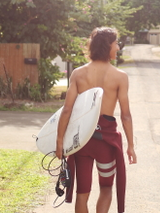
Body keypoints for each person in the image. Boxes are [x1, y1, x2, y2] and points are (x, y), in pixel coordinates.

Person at [56, 27, 137, 213]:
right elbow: (125, 115)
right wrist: (130, 145)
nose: (118, 47)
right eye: (116, 43)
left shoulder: (78, 74)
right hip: (106, 142)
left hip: (82, 140)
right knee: (106, 187)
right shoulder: (120, 77)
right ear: (107, 45)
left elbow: (67, 109)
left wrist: (60, 142)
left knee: (82, 193)